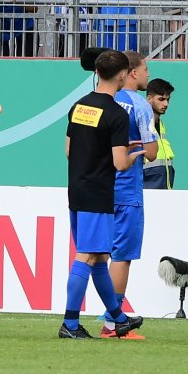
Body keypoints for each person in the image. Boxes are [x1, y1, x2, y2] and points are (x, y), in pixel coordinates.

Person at [60, 48, 139, 340]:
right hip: (98, 193)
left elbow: (69, 150)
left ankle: (117, 318)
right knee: (86, 256)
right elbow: (120, 163)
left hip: (77, 189)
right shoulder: (117, 114)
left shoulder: (79, 106)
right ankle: (69, 324)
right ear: (121, 75)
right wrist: (132, 155)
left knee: (100, 256)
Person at [108, 52, 158, 331]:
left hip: (100, 187)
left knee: (95, 255)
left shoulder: (103, 100)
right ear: (133, 73)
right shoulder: (140, 105)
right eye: (146, 69)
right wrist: (138, 146)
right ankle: (113, 321)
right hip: (127, 189)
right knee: (121, 257)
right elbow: (151, 153)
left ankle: (74, 319)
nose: (148, 75)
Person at [144, 77, 177, 188]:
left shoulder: (161, 125)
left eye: (168, 100)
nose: (166, 104)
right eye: (161, 99)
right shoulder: (142, 124)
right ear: (149, 98)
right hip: (147, 191)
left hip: (164, 192)